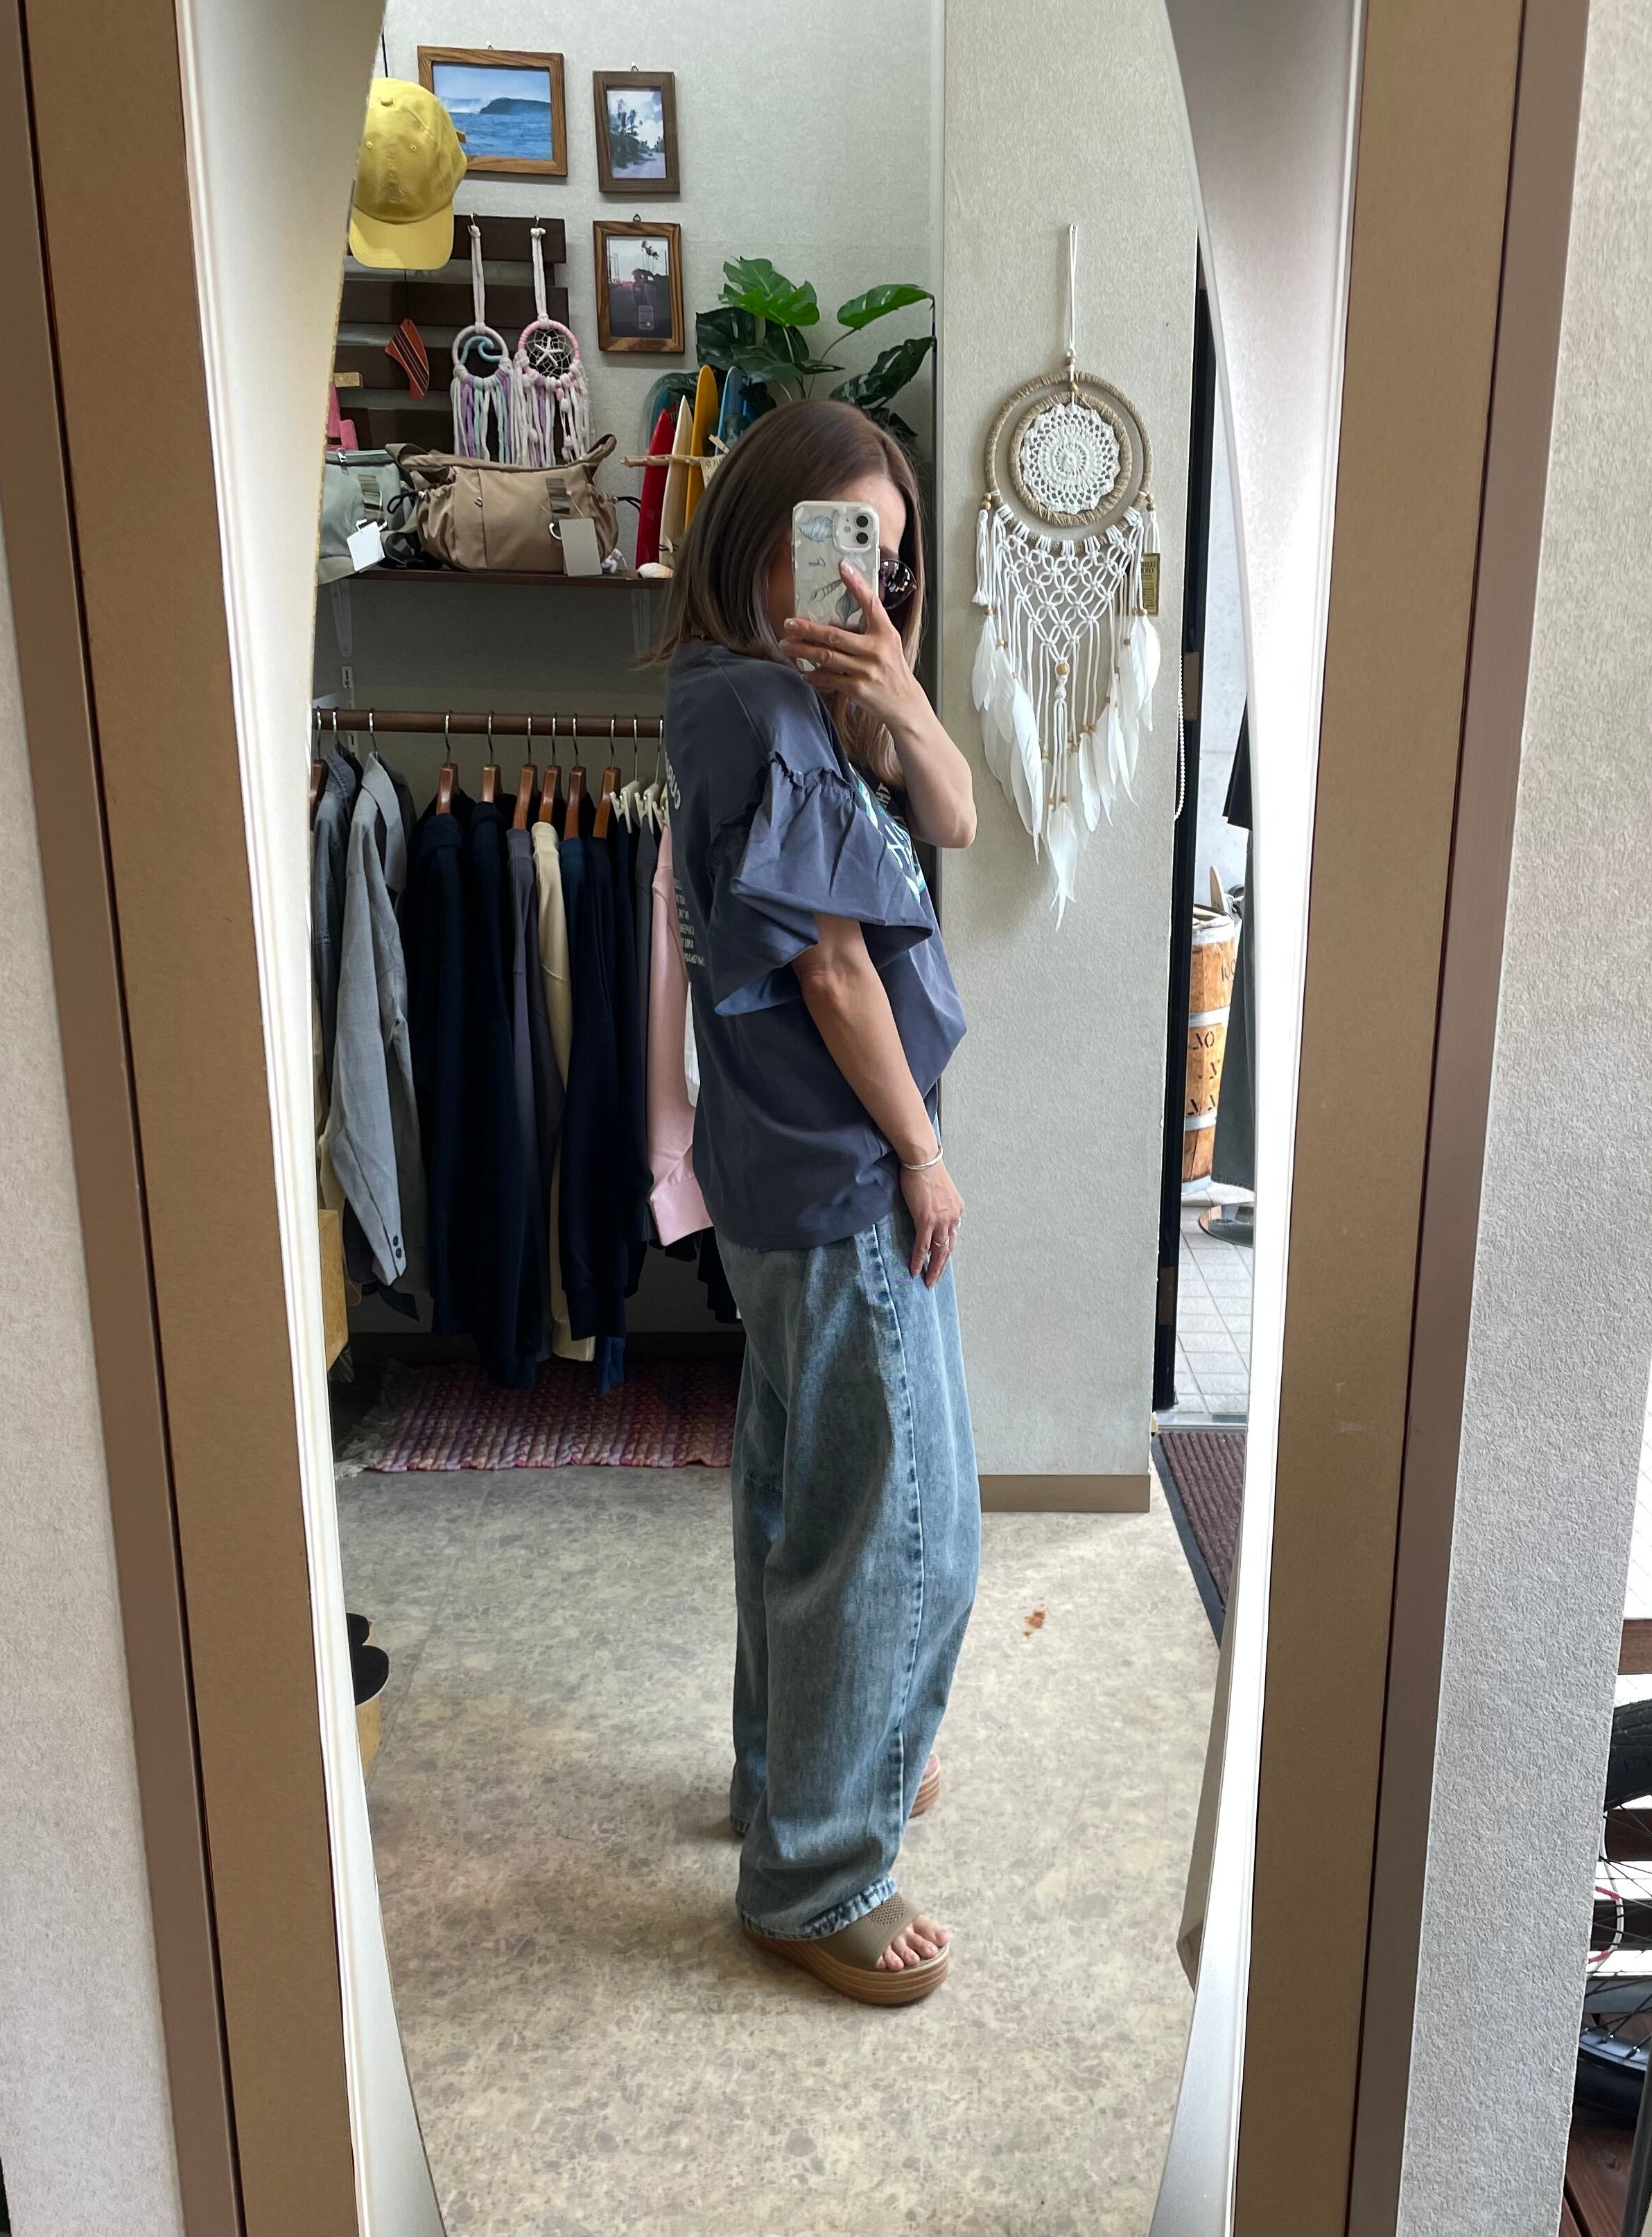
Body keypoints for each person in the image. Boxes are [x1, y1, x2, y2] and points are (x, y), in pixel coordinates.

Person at [657, 399, 980, 2005]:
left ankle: (798, 1782)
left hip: (787, 1168)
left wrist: (898, 690)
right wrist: (921, 1154)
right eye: (835, 541)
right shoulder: (760, 713)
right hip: (847, 1171)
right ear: (755, 534)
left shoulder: (768, 699)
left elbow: (959, 817)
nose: (863, 581)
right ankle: (817, 1874)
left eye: (886, 559)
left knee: (806, 1500)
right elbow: (837, 967)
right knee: (905, 1533)